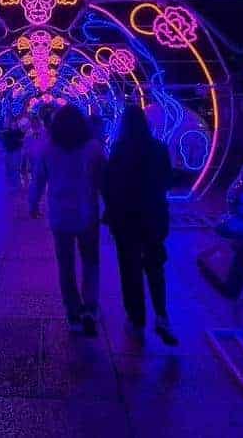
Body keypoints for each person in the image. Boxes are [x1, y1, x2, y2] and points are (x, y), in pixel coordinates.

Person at [101, 105, 179, 345]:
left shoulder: (119, 151)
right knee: (155, 266)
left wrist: (110, 211)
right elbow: (168, 181)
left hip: (126, 219)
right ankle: (162, 316)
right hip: (154, 216)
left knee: (130, 269)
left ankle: (136, 320)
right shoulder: (159, 149)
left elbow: (109, 185)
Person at [29, 104, 105, 336]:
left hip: (60, 216)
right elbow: (103, 180)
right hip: (87, 213)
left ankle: (73, 313)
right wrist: (110, 206)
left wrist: (33, 204)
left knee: (66, 266)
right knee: (90, 261)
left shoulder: (48, 149)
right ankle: (90, 308)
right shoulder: (93, 148)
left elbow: (38, 179)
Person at [0, 116, 25, 185]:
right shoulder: (7, 132)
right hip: (9, 151)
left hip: (16, 151)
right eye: (12, 123)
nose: (13, 124)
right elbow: (4, 139)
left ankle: (16, 183)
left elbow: (22, 140)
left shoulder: (18, 131)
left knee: (15, 167)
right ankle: (10, 182)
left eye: (14, 123)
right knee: (9, 167)